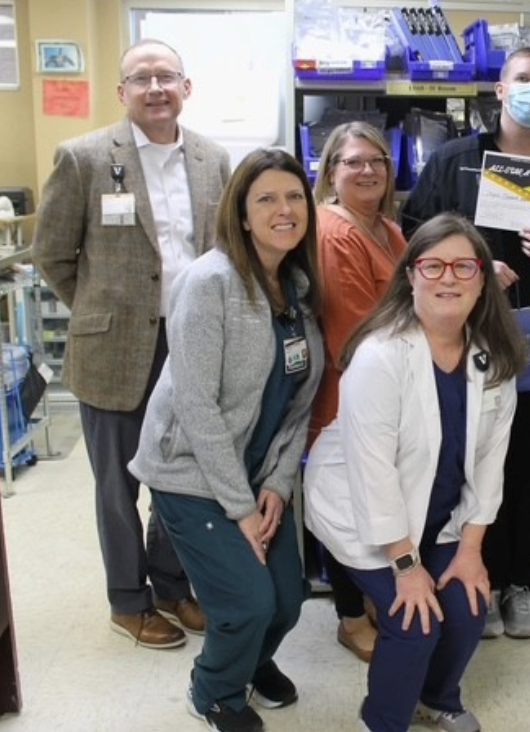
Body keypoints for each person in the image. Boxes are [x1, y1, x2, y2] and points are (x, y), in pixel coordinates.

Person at [399, 47, 530, 639]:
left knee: (527, 463)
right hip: (457, 343)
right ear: (499, 89)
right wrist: (468, 264)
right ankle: (473, 578)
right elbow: (413, 235)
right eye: (522, 79)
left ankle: (517, 581)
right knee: (462, 458)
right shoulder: (455, 161)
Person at [32, 38, 230, 649]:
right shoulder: (84, 158)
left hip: (190, 344)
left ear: (186, 87)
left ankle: (172, 586)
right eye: (141, 79)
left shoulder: (214, 159)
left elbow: (221, 247)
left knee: (182, 474)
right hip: (112, 351)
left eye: (166, 76)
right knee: (118, 487)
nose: (155, 88)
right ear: (122, 92)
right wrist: (100, 309)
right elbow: (52, 255)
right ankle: (128, 600)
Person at [304, 213, 527, 732]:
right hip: (362, 513)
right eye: (433, 266)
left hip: (438, 513)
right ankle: (382, 720)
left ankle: (437, 697)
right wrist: (407, 568)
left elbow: (490, 463)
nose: (449, 277)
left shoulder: (493, 358)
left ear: (482, 279)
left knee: (468, 607)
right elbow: (373, 474)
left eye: (464, 266)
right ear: (410, 276)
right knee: (415, 621)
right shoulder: (380, 355)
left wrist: (470, 551)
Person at [129, 148, 323, 732]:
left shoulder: (297, 288)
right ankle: (212, 689)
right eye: (266, 199)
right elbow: (195, 406)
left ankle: (251, 663)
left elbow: (299, 404)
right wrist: (241, 509)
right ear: (241, 214)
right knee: (246, 603)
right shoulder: (208, 282)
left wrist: (278, 486)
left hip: (259, 472)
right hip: (191, 473)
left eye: (294, 197)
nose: (284, 209)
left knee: (287, 599)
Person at [308, 121, 407, 662]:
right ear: (330, 172)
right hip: (349, 395)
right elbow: (351, 332)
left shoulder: (386, 229)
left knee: (377, 500)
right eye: (353, 162)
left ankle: (369, 601)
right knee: (347, 506)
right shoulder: (335, 233)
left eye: (377, 161)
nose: (368, 170)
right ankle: (350, 617)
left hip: (388, 389)